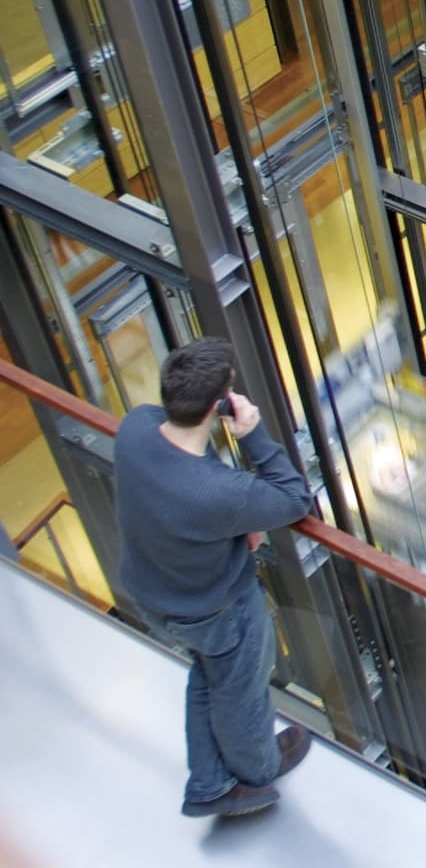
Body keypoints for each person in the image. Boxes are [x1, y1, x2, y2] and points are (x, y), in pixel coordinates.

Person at [114, 338, 314, 818]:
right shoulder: (218, 493)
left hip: (153, 594)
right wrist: (253, 434)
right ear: (217, 404)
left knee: (208, 675)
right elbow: (294, 498)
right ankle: (257, 770)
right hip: (218, 612)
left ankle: (207, 785)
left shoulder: (135, 428)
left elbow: (182, 479)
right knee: (240, 693)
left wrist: (238, 525)